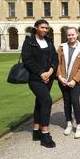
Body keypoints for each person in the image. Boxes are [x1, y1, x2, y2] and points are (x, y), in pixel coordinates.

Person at [22, 19, 58, 148]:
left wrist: (51, 70)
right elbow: (27, 60)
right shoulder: (29, 42)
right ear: (36, 27)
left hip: (48, 77)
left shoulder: (48, 41)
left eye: (46, 28)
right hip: (35, 78)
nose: (45, 30)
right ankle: (45, 134)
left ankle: (36, 131)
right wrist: (41, 73)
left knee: (40, 102)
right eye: (42, 27)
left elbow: (54, 57)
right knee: (47, 101)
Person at [57, 27, 80, 139]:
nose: (71, 37)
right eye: (69, 35)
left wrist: (74, 80)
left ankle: (79, 125)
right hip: (63, 80)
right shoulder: (62, 47)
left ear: (77, 35)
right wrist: (60, 76)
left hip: (76, 82)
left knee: (75, 102)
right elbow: (58, 63)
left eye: (72, 35)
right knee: (66, 102)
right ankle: (69, 123)